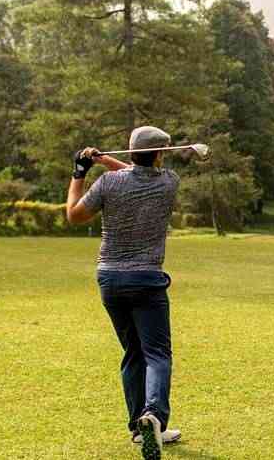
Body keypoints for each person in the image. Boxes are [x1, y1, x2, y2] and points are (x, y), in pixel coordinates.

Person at [65, 126, 183, 460]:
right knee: (157, 354)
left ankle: (139, 428)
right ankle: (154, 418)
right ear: (160, 155)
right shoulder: (168, 182)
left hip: (110, 279)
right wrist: (107, 161)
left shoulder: (108, 183)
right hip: (147, 278)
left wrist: (80, 172)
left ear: (132, 153)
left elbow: (73, 215)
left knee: (133, 353)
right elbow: (139, 173)